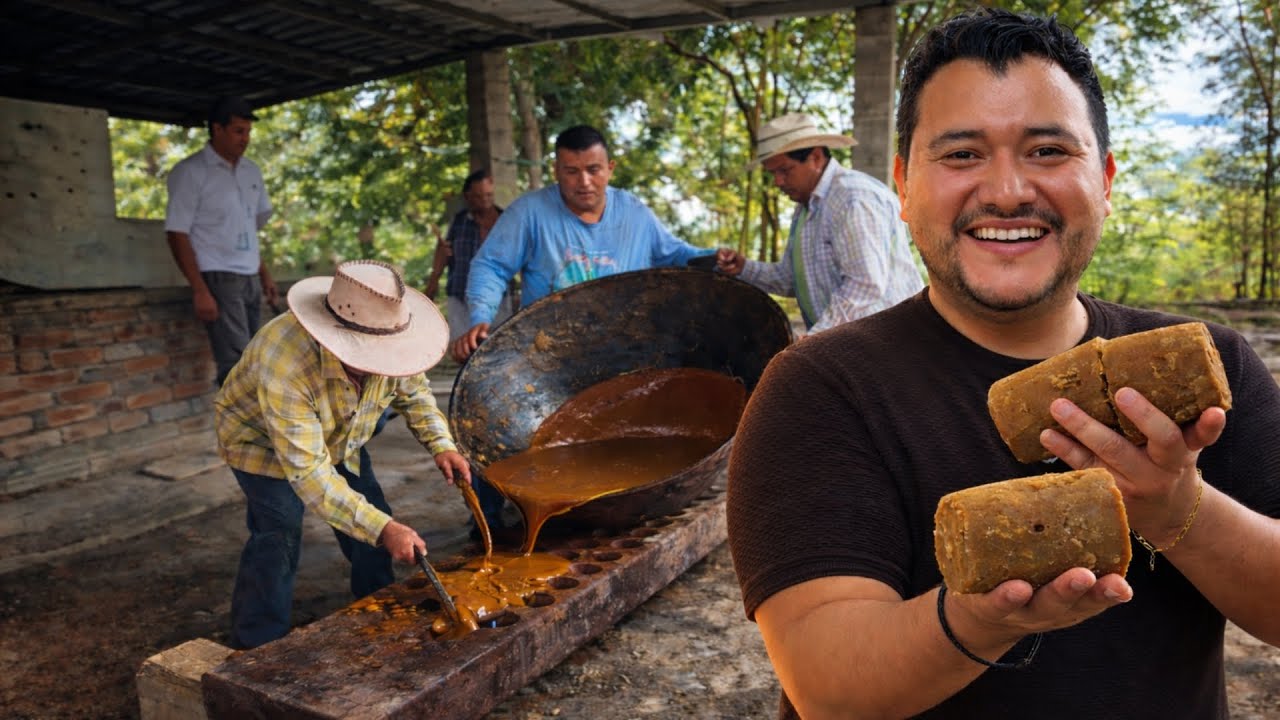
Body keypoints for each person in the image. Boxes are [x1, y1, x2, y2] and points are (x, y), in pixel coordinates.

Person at [726, 8, 1280, 719]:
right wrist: (981, 620)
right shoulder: (822, 390)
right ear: (903, 184)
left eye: (1048, 151)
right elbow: (828, 686)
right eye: (961, 155)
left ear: (1105, 179)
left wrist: (1179, 512)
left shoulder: (1211, 368)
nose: (1008, 190)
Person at [214, 259, 469, 650]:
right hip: (260, 442)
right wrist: (385, 529)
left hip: (342, 433)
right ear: (334, 338)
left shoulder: (392, 336)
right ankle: (256, 641)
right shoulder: (283, 360)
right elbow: (311, 475)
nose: (386, 362)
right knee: (279, 530)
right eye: (373, 353)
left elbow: (415, 394)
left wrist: (443, 445)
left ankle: (379, 604)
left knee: (373, 511)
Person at [452, 124, 716, 363]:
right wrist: (481, 318)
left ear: (610, 169)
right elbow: (491, 266)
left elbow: (675, 255)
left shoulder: (634, 212)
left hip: (628, 349)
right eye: (572, 171)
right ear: (556, 171)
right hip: (548, 357)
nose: (584, 182)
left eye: (593, 170)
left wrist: (717, 259)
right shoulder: (529, 212)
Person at [715, 112, 923, 333]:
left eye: (784, 170)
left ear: (815, 158)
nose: (777, 181)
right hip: (852, 346)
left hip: (892, 344)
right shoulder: (806, 207)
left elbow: (865, 286)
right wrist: (744, 268)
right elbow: (790, 279)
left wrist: (812, 342)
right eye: (772, 173)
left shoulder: (852, 197)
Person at [165, 95, 278, 386]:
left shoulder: (252, 171)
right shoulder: (191, 172)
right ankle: (240, 429)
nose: (246, 139)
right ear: (217, 129)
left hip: (250, 276)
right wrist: (200, 289)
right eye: (239, 131)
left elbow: (247, 228)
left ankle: (256, 429)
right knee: (237, 366)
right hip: (218, 276)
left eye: (248, 132)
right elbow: (177, 232)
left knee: (255, 357)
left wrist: (264, 274)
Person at [423, 169, 519, 342]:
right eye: (478, 196)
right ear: (467, 197)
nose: (485, 200)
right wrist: (432, 284)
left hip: (499, 297)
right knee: (463, 348)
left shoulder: (506, 220)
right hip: (460, 295)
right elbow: (445, 253)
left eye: (489, 195)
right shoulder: (459, 222)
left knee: (499, 347)